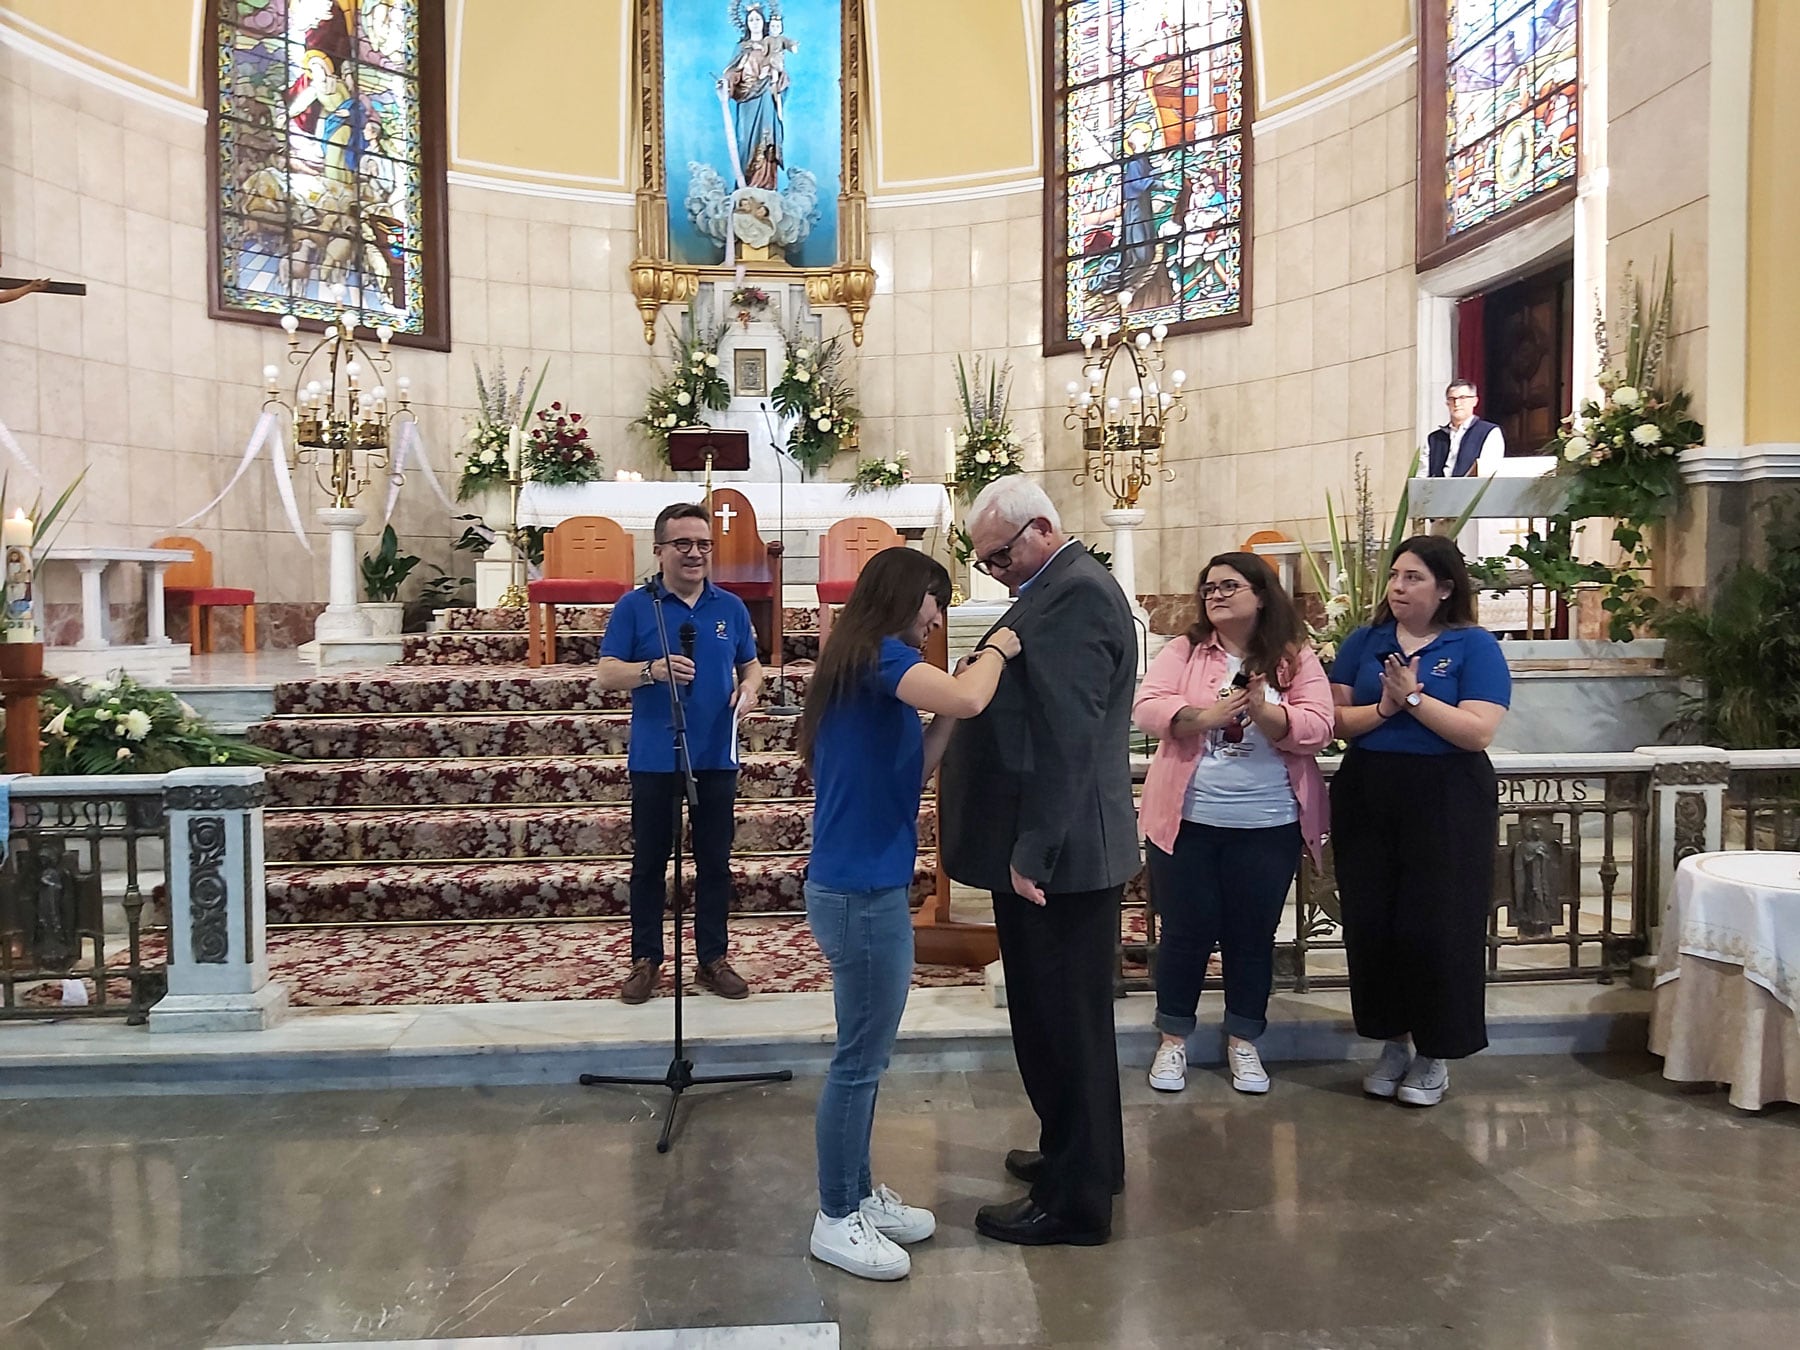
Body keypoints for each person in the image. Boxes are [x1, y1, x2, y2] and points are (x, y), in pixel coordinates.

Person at [800, 547, 1020, 1281]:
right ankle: (836, 1216)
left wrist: (951, 711)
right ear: (902, 595)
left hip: (866, 883)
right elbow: (968, 699)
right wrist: (996, 650)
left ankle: (859, 1195)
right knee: (859, 1064)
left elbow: (917, 765)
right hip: (859, 892)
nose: (938, 616)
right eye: (935, 599)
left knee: (866, 1058)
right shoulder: (877, 657)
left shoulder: (864, 663)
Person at [940, 477, 1139, 1248]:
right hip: (1054, 848)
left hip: (1061, 855)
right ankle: (1081, 1155)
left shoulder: (1077, 593)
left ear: (1043, 529)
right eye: (985, 562)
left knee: (1065, 1023)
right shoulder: (1058, 585)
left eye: (1000, 556)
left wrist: (1035, 850)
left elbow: (1069, 737)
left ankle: (1075, 1202)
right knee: (1058, 1018)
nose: (995, 571)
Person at [1131, 552, 1333, 1096]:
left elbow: (1320, 726)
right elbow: (1147, 706)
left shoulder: (1294, 657)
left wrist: (1266, 712)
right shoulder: (1185, 650)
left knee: (1252, 936)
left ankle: (1244, 1040)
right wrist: (1204, 717)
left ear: (1260, 594)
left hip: (1268, 821)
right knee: (1184, 932)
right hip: (1188, 820)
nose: (1215, 596)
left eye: (1228, 586)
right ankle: (1173, 1039)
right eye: (1209, 588)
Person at [1328, 534, 1512, 1108]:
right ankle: (1392, 1041)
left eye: (1413, 577)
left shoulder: (1473, 645)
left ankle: (1436, 1053)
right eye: (1395, 576)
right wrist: (1383, 707)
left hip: (1447, 794)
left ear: (1446, 588)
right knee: (1374, 920)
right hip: (1369, 788)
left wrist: (1411, 699)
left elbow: (1477, 731)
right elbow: (1335, 718)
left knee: (1438, 922)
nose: (1399, 587)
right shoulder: (1366, 641)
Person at [596, 502, 763, 1004]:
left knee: (715, 860)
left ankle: (713, 958)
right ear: (659, 550)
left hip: (715, 752)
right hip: (657, 754)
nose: (695, 553)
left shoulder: (729, 606)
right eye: (683, 544)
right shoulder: (636, 606)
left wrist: (750, 689)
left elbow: (751, 664)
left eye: (703, 544)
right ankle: (646, 958)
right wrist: (651, 671)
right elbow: (606, 673)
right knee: (650, 861)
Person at [1428, 380, 1505, 478]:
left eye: (1462, 398)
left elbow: (1488, 473)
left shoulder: (1490, 432)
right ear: (1447, 403)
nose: (1456, 403)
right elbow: (1421, 478)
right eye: (1452, 399)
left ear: (1475, 401)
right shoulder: (1434, 438)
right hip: (1437, 487)